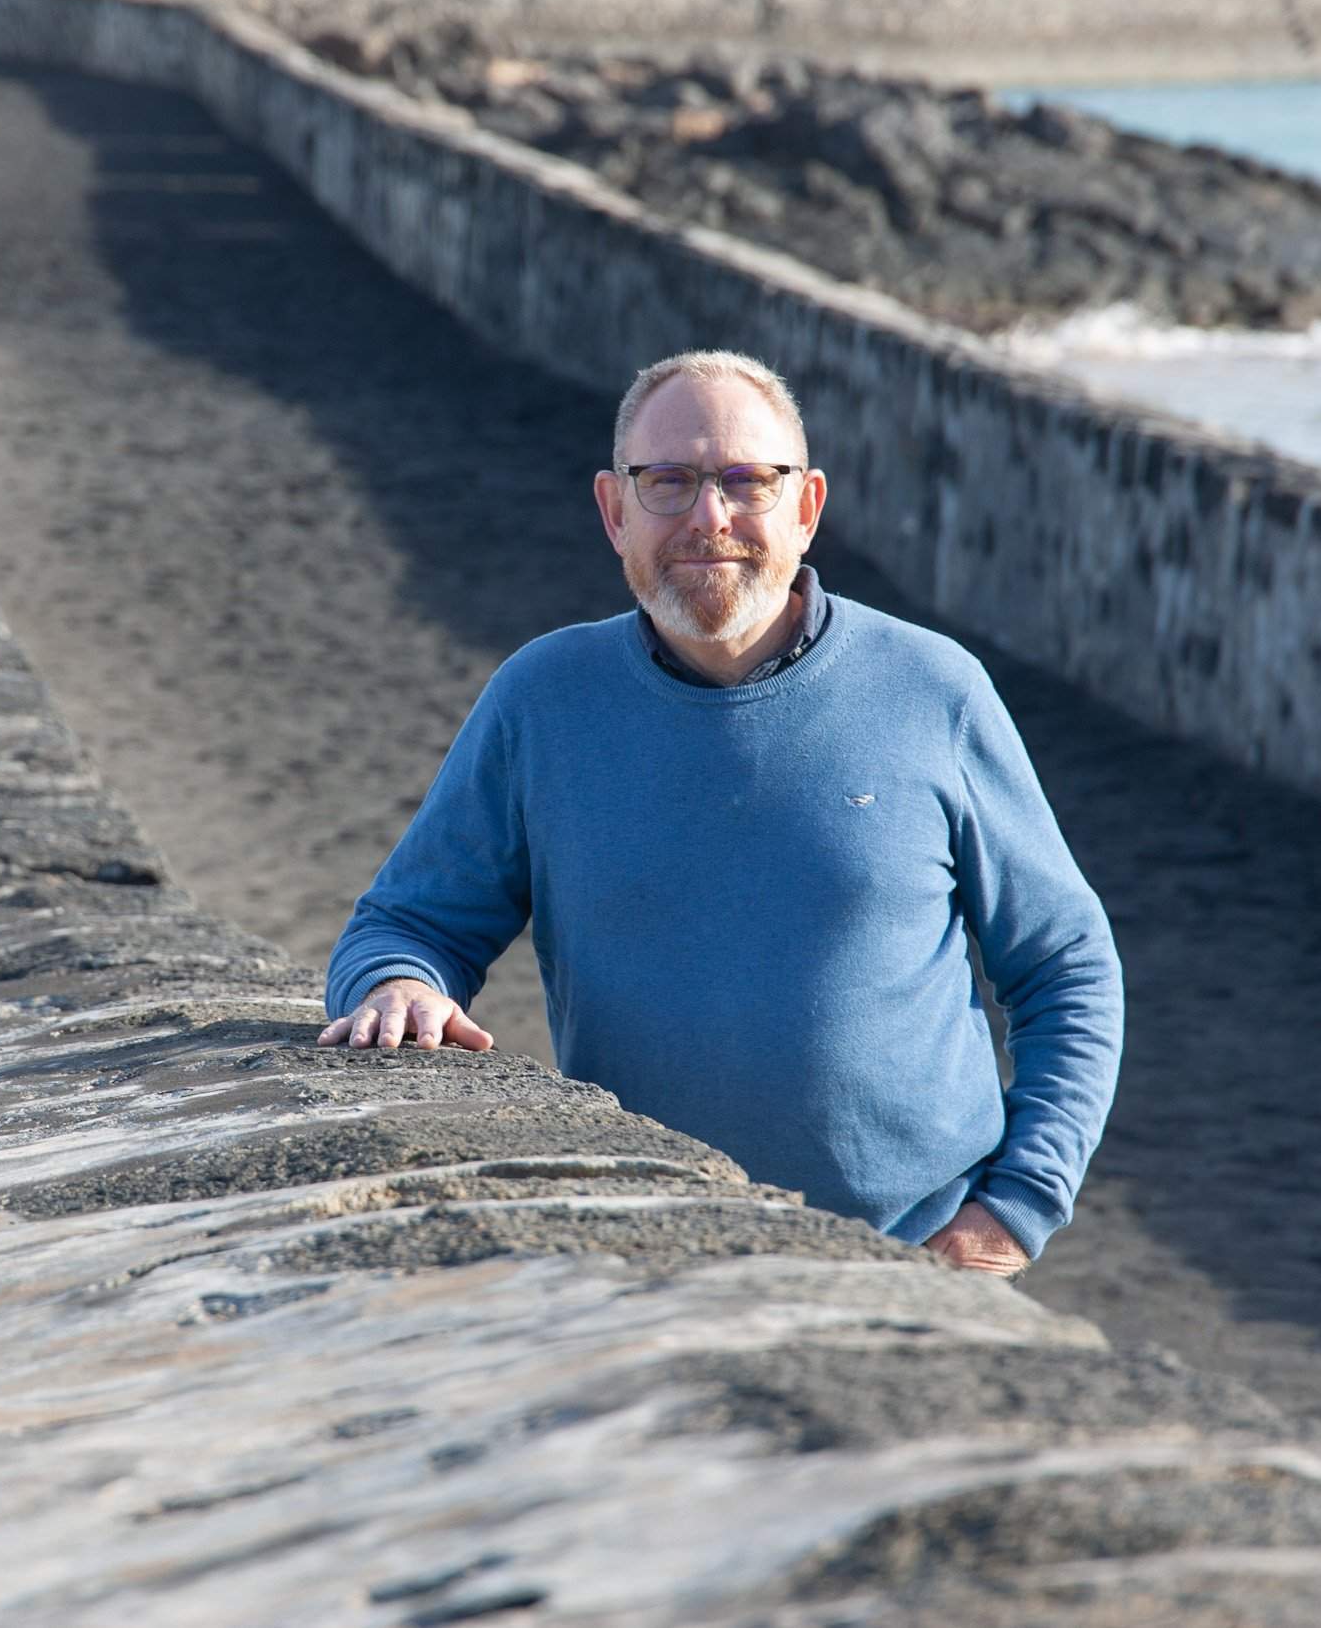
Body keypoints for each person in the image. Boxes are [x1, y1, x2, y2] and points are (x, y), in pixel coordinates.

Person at [318, 349, 1123, 1277]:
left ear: (808, 508)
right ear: (614, 511)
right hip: (649, 1263)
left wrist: (1013, 1211)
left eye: (749, 481)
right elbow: (408, 923)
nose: (710, 517)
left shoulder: (935, 689)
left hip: (915, 1261)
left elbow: (1067, 964)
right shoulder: (543, 699)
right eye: (668, 481)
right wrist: (400, 986)